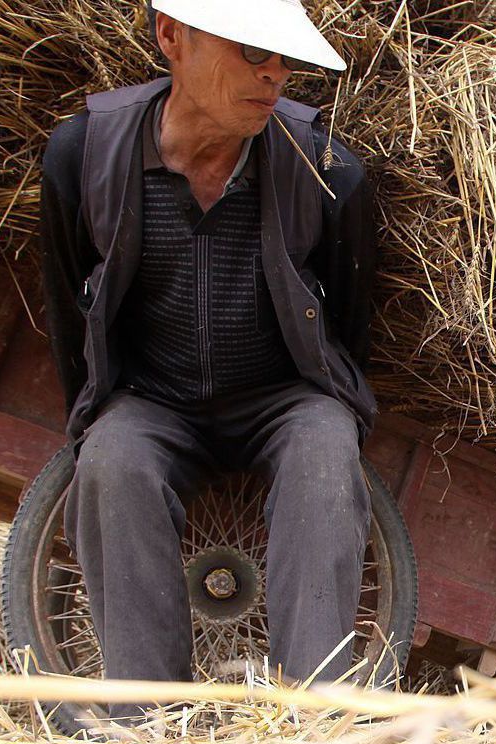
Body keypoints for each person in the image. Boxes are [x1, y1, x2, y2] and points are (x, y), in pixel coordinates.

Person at [38, 0, 379, 695]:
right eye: (252, 52)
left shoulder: (327, 172)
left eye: (283, 59)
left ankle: (311, 721)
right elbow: (70, 305)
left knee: (326, 447)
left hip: (282, 399)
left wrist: (324, 400)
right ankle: (148, 720)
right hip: (152, 399)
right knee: (110, 459)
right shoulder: (86, 155)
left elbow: (348, 316)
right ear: (171, 36)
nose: (274, 75)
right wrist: (97, 411)